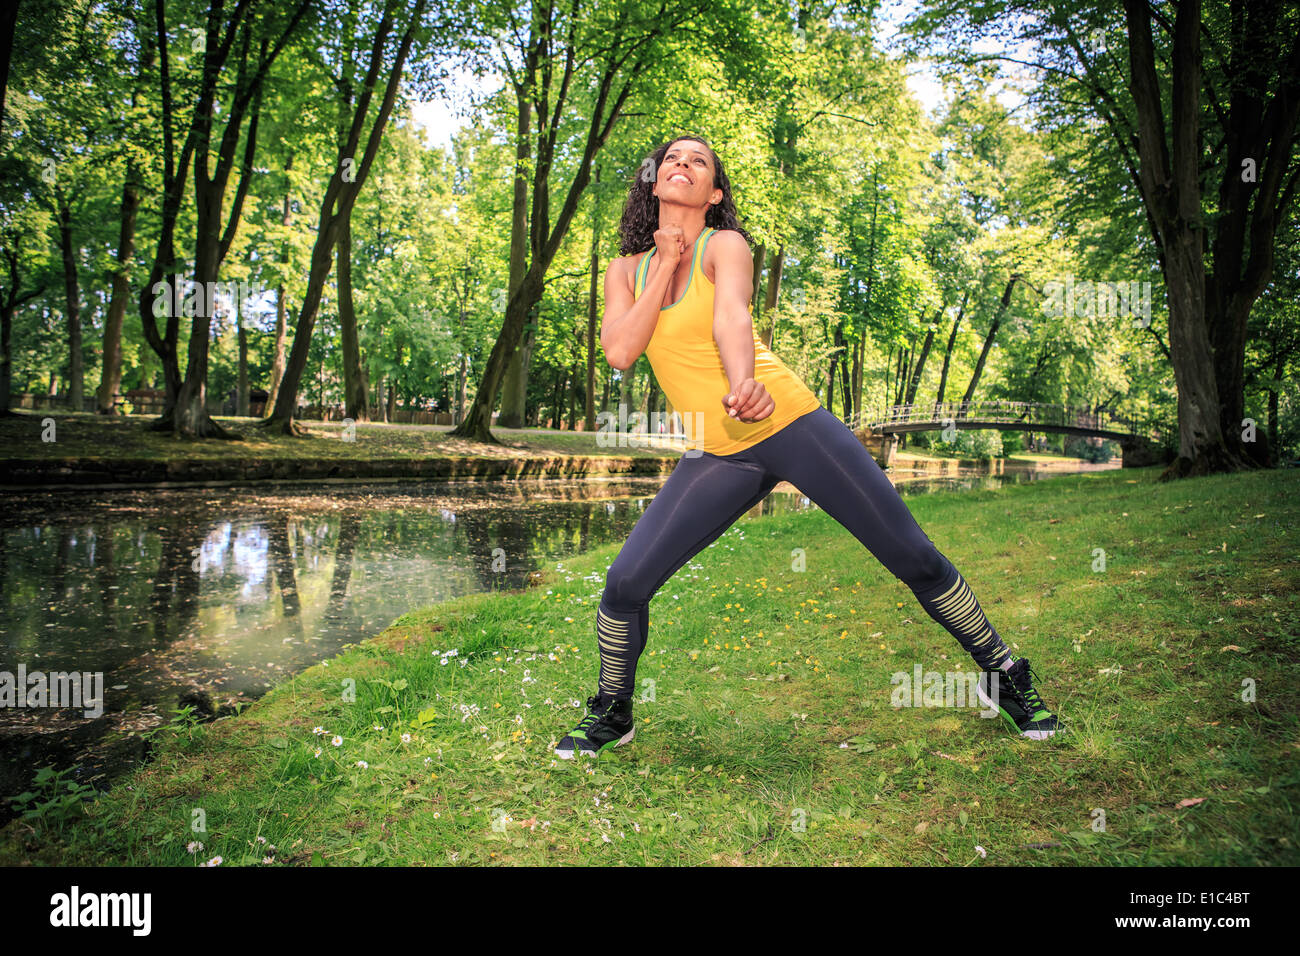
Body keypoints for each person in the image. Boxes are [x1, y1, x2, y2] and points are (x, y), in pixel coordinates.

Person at [555, 135, 1059, 758]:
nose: (682, 165)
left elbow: (732, 318)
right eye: (671, 159)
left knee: (915, 558)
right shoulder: (625, 270)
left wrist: (745, 383)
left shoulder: (726, 245)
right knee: (624, 584)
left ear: (714, 194)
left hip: (790, 422)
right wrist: (661, 262)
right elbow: (622, 351)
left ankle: (1004, 673)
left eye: (699, 162)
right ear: (653, 180)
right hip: (720, 452)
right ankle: (613, 712)